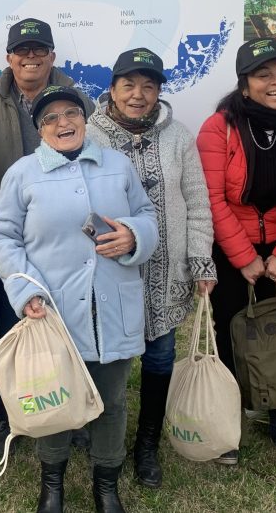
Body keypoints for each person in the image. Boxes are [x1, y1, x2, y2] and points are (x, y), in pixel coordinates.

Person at [0, 84, 159, 513]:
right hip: (53, 311)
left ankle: (107, 487)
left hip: (112, 307)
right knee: (54, 398)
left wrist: (134, 235)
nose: (63, 123)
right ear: (39, 129)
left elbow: (147, 215)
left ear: (86, 118)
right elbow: (3, 236)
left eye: (71, 114)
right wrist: (26, 290)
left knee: (113, 401)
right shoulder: (22, 174)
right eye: (50, 118)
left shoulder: (117, 165)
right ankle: (53, 486)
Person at [85, 47, 216, 489]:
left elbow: (197, 201)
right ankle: (104, 438)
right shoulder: (89, 136)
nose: (138, 95)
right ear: (112, 89)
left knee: (160, 357)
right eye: (128, 85)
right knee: (108, 362)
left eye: (148, 86)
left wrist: (200, 259)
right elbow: (74, 203)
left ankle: (147, 445)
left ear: (159, 91)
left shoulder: (178, 136)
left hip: (166, 273)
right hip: (110, 271)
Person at [0, 17, 95, 452]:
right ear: (9, 58)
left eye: (40, 49)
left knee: (70, 328)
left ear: (52, 55)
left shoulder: (77, 101)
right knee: (9, 329)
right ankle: (11, 416)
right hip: (9, 242)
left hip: (65, 239)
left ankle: (72, 413)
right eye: (23, 50)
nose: (31, 57)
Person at [195, 37, 276, 472]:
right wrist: (243, 255)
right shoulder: (220, 127)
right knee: (232, 330)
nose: (275, 82)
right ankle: (230, 423)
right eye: (263, 74)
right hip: (233, 246)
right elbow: (212, 198)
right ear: (245, 84)